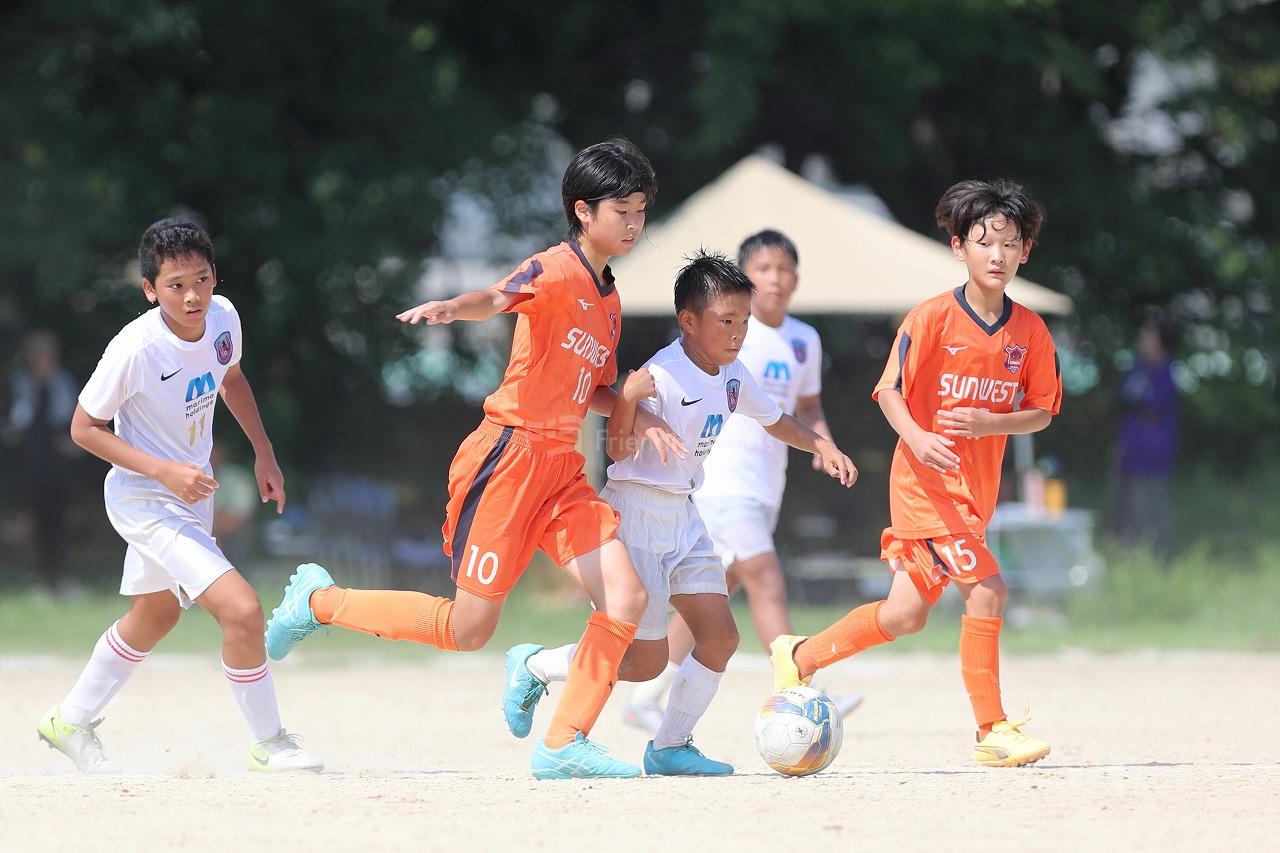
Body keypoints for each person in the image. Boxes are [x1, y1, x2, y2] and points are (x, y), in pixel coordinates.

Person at [265, 138, 681, 780]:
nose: (634, 223)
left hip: (561, 469)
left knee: (624, 598)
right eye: (621, 210)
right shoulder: (553, 269)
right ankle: (319, 602)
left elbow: (593, 389)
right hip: (509, 460)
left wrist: (632, 405)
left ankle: (563, 743)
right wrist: (452, 308)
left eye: (640, 211)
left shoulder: (609, 299)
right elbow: (495, 296)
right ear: (583, 210)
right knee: (469, 629)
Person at [500, 251, 857, 775]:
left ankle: (670, 746)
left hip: (685, 514)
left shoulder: (733, 374)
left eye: (744, 321)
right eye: (726, 321)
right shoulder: (662, 374)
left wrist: (820, 445)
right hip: (636, 513)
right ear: (689, 321)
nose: (738, 332)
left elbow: (775, 419)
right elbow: (618, 450)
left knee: (721, 637)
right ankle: (536, 664)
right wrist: (627, 400)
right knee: (643, 662)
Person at [770, 179, 1062, 768]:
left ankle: (800, 657)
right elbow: (888, 391)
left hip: (972, 495)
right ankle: (992, 729)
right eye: (984, 242)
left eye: (1010, 244)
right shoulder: (931, 318)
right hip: (925, 489)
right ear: (959, 248)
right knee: (988, 590)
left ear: (1026, 252)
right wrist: (918, 436)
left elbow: (1042, 412)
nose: (998, 255)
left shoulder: (1030, 330)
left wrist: (991, 423)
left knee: (905, 615)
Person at [37, 218, 321, 774]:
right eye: (176, 285)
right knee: (242, 610)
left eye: (202, 279)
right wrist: (164, 471)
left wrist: (264, 452)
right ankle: (270, 743)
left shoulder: (224, 317)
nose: (193, 296)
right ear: (150, 289)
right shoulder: (136, 349)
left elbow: (230, 376)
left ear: (214, 276)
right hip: (146, 497)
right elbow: (84, 428)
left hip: (191, 491)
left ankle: (68, 721)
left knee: (156, 614)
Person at [623, 229, 855, 731]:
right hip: (722, 483)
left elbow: (798, 409)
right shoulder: (713, 343)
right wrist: (634, 412)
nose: (775, 278)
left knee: (714, 598)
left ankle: (646, 698)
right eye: (764, 269)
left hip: (768, 482)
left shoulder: (802, 340)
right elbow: (637, 415)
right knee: (765, 576)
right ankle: (798, 689)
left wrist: (823, 444)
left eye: (784, 268)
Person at [6, 331, 80, 593]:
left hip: (58, 465)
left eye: (46, 355)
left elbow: (80, 423)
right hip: (28, 463)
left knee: (57, 519)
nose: (42, 361)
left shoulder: (65, 384)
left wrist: (74, 444)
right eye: (37, 355)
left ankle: (58, 574)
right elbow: (12, 423)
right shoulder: (18, 385)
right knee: (31, 521)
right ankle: (38, 576)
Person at [1113, 318, 1179, 560]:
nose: (1142, 339)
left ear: (1159, 340)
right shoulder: (1136, 368)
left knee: (1152, 508)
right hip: (1129, 451)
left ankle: (1160, 559)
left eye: (1148, 335)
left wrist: (1140, 406)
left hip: (1153, 455)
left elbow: (1155, 408)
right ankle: (1130, 558)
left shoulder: (1168, 371)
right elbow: (1125, 400)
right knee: (1126, 509)